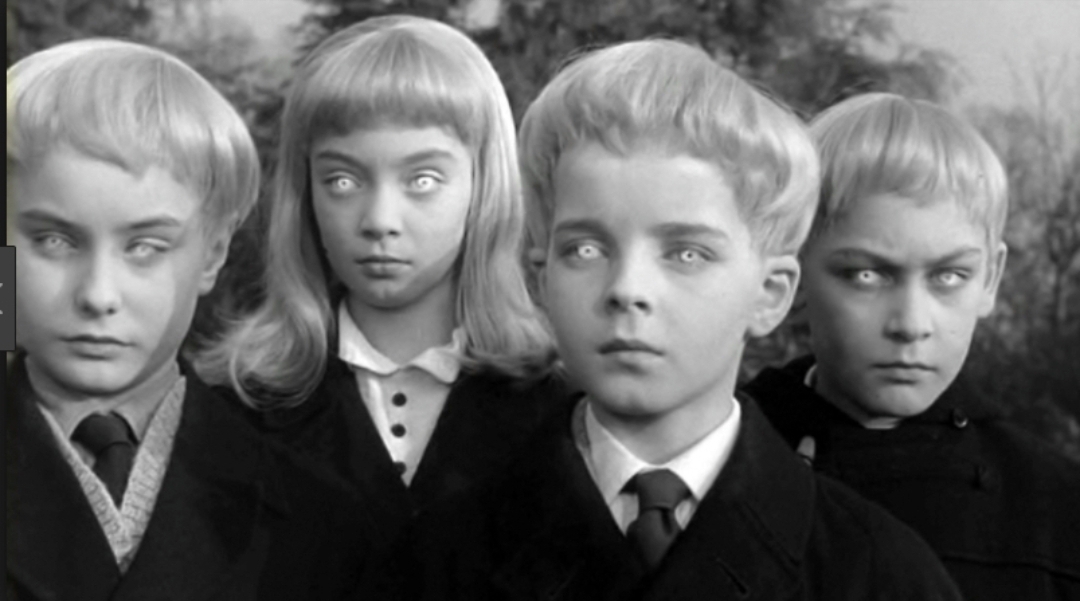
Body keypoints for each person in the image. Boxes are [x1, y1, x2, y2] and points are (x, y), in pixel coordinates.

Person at [398, 39, 964, 600]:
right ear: (540, 277)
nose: (627, 290)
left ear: (770, 294)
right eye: (586, 250)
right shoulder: (436, 562)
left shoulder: (882, 575)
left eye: (686, 254)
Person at [7, 39, 376, 601]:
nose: (98, 295)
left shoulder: (324, 521)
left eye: (145, 247)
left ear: (213, 253)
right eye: (55, 241)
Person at [196, 15, 563, 550]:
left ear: (484, 185)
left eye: (423, 180)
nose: (379, 220)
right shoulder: (230, 411)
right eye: (343, 180)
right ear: (305, 193)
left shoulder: (564, 411)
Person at [744, 92, 1080, 600]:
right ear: (794, 271)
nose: (911, 324)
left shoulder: (1056, 511)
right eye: (866, 275)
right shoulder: (711, 469)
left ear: (991, 279)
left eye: (949, 276)